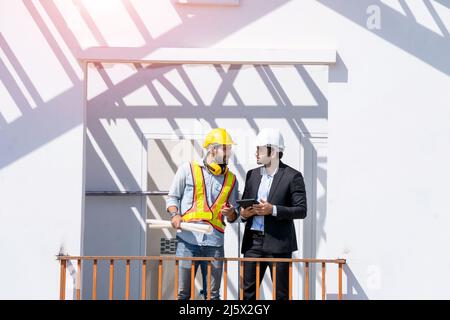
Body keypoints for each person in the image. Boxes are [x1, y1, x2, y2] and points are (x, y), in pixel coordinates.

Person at [166, 128, 239, 300]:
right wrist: (175, 214)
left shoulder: (231, 179)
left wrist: (230, 213)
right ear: (213, 149)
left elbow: (234, 216)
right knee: (183, 294)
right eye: (226, 148)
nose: (229, 152)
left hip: (214, 243)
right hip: (187, 241)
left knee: (213, 296)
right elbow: (172, 198)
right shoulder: (187, 169)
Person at [239, 128, 307, 300]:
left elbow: (301, 210)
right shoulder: (252, 175)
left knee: (281, 295)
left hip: (279, 244)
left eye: (260, 149)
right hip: (252, 243)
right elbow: (245, 205)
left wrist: (273, 210)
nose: (256, 153)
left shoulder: (293, 176)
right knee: (247, 295)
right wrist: (244, 214)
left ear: (274, 151)